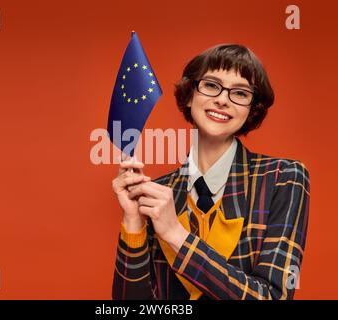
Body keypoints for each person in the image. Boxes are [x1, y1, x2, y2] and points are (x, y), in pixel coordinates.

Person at [111, 44, 310, 300]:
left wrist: (175, 235)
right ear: (190, 94)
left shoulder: (284, 177)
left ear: (252, 108)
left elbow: (273, 297)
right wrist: (133, 222)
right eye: (211, 85)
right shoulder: (156, 195)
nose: (223, 99)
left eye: (240, 93)